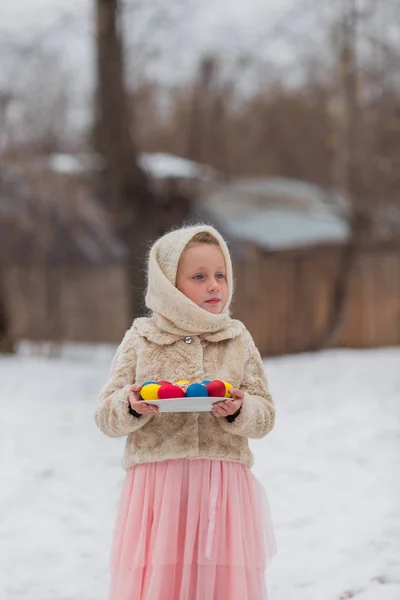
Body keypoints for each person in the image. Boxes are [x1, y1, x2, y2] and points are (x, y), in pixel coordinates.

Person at [95, 224, 276, 600]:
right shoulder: (142, 337)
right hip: (159, 488)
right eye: (199, 277)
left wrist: (240, 410)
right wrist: (129, 405)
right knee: (163, 583)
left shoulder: (236, 338)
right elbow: (105, 414)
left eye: (220, 275)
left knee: (220, 584)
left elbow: (265, 413)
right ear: (168, 286)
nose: (214, 286)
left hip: (221, 483)